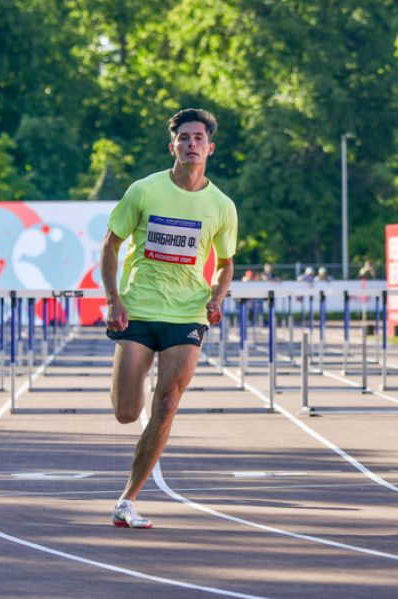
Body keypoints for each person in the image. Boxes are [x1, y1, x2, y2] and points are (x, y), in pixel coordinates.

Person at [100, 108, 238, 528]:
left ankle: (128, 498)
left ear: (210, 148)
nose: (192, 143)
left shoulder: (222, 205)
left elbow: (226, 263)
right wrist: (114, 299)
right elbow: (111, 245)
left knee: (167, 403)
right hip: (138, 309)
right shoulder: (144, 190)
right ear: (172, 145)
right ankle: (134, 374)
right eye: (185, 137)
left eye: (199, 138)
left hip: (186, 314)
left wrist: (216, 295)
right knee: (127, 411)